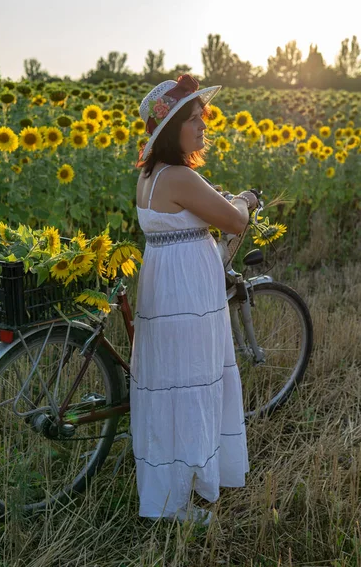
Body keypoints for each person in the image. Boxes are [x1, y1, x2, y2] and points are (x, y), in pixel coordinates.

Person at [129, 74, 258, 525]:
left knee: (170, 383)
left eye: (203, 116)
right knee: (190, 383)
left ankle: (172, 483)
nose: (203, 124)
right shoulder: (180, 175)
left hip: (166, 284)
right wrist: (244, 198)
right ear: (170, 131)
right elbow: (234, 222)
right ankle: (176, 504)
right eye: (194, 118)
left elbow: (189, 213)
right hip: (185, 292)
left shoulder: (152, 174)